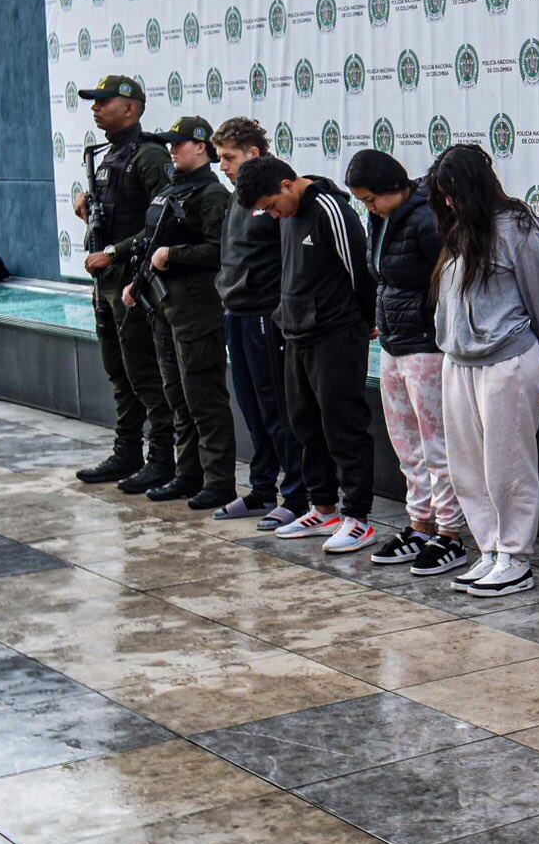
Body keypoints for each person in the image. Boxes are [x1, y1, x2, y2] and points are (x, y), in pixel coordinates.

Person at [428, 144, 539, 599]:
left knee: (509, 467)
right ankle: (489, 549)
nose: (447, 202)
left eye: (452, 192)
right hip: (459, 363)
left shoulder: (517, 227)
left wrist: (531, 350)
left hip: (507, 361)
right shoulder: (459, 229)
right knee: (467, 467)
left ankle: (515, 557)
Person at [233, 155, 380, 554]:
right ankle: (324, 507)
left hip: (336, 333)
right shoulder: (287, 217)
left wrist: (366, 320)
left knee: (343, 423)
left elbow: (360, 272)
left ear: (286, 185)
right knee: (304, 423)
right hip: (296, 331)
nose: (273, 216)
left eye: (271, 206)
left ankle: (358, 516)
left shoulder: (330, 210)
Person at [348, 149, 468, 578]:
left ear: (392, 187)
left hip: (426, 347)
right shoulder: (380, 219)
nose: (369, 207)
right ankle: (420, 523)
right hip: (394, 345)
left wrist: (428, 328)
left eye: (371, 199)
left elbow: (446, 284)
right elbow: (380, 278)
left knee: (437, 447)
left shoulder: (426, 218)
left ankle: (450, 534)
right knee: (406, 446)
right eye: (363, 202)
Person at [114, 116, 238, 511]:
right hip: (164, 305)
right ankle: (188, 474)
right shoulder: (172, 189)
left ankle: (219, 481)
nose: (172, 150)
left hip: (197, 310)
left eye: (179, 144)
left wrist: (175, 255)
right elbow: (152, 240)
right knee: (177, 395)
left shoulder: (212, 195)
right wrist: (138, 277)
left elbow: (220, 250)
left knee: (203, 396)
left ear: (201, 147)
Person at [72, 76, 175, 494]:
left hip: (134, 283)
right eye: (94, 103)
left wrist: (114, 252)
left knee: (144, 372)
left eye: (103, 102)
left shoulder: (149, 155)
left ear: (131, 108)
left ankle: (163, 458)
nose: (95, 109)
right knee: (119, 371)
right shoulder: (109, 155)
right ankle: (127, 450)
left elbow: (167, 220)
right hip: (106, 284)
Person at [212, 118, 306, 529]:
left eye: (229, 157)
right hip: (236, 312)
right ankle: (262, 488)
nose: (223, 166)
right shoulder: (238, 196)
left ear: (254, 153)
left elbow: (292, 260)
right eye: (219, 158)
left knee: (277, 409)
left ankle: (297, 495)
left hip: (266, 316)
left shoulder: (275, 194)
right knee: (251, 408)